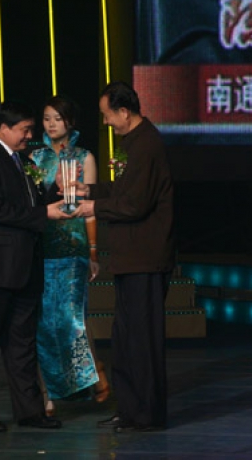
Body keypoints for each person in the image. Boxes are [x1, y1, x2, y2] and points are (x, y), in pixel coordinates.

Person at [73, 81, 176, 432]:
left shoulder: (147, 145)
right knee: (126, 338)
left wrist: (93, 207)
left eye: (108, 115)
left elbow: (134, 204)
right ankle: (130, 409)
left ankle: (146, 414)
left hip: (145, 256)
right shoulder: (133, 143)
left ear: (124, 112)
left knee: (142, 340)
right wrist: (91, 190)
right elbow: (123, 190)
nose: (105, 122)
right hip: (131, 257)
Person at [0, 100, 71, 432]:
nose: (29, 135)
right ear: (4, 128)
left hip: (25, 268)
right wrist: (43, 213)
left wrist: (56, 191)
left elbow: (34, 203)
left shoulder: (25, 161)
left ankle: (30, 412)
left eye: (30, 129)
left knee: (22, 345)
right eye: (24, 129)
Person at [29, 95, 109, 417]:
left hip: (73, 248)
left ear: (70, 122)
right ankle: (45, 394)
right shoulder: (34, 157)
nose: (51, 124)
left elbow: (89, 209)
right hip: (43, 248)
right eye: (46, 118)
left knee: (72, 320)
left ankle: (92, 372)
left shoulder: (85, 157)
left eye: (57, 119)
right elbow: (33, 203)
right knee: (43, 324)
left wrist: (93, 251)